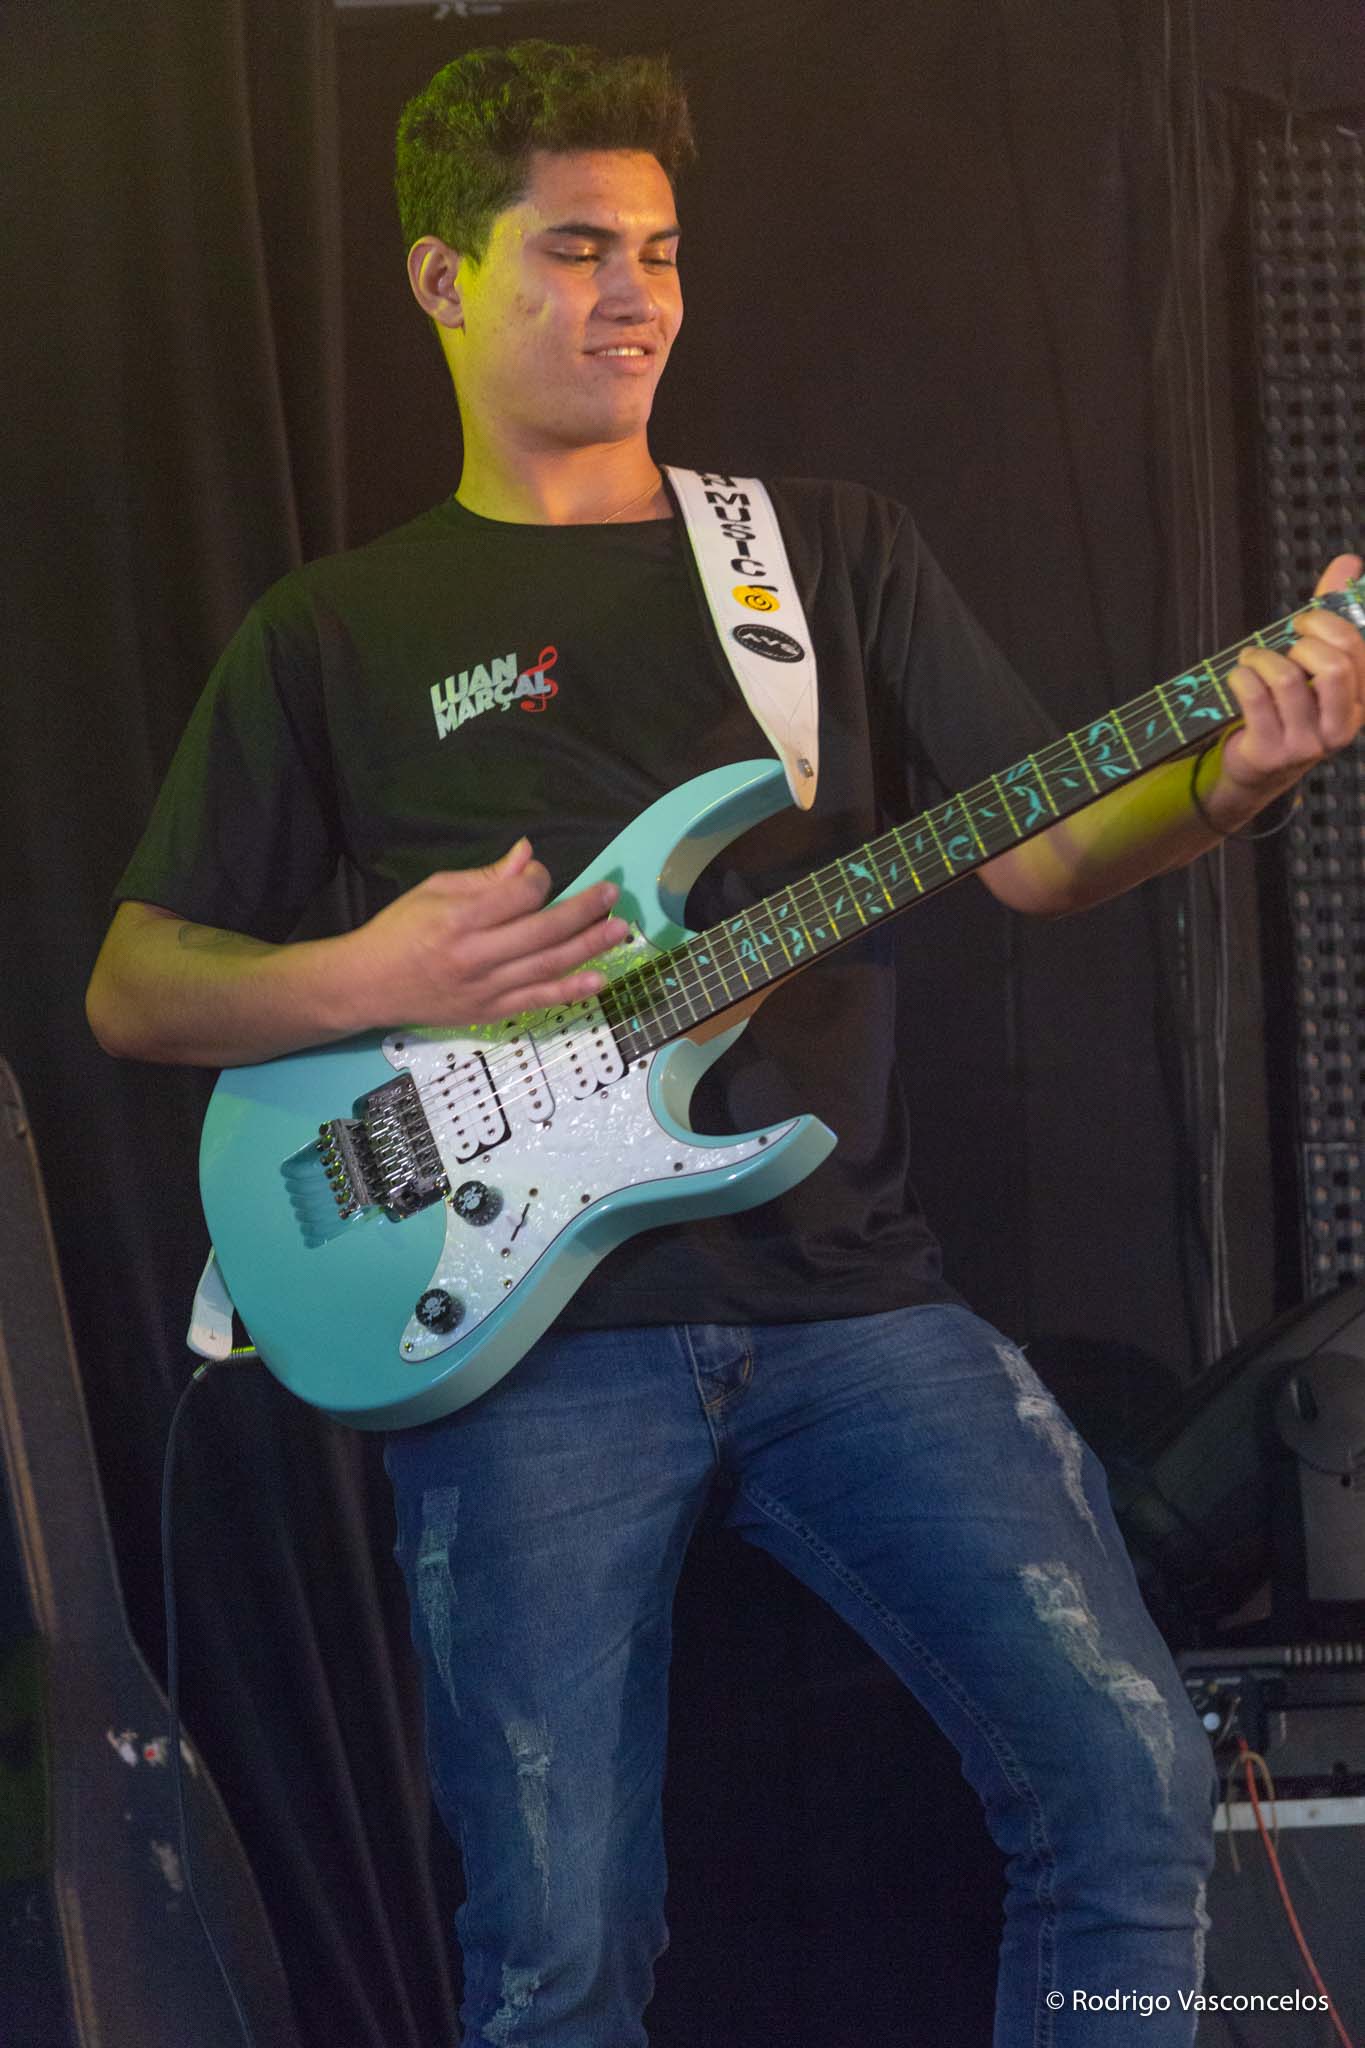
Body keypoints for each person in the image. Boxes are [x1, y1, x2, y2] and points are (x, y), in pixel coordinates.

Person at [86, 40, 1365, 2048]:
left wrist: (1231, 779)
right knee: (558, 1942)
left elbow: (1038, 854)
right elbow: (134, 985)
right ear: (440, 279)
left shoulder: (813, 552)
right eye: (577, 248)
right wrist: (372, 969)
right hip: (523, 1344)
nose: (636, 295)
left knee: (1126, 1791)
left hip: (852, 1299)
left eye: (661, 250)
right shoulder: (334, 627)